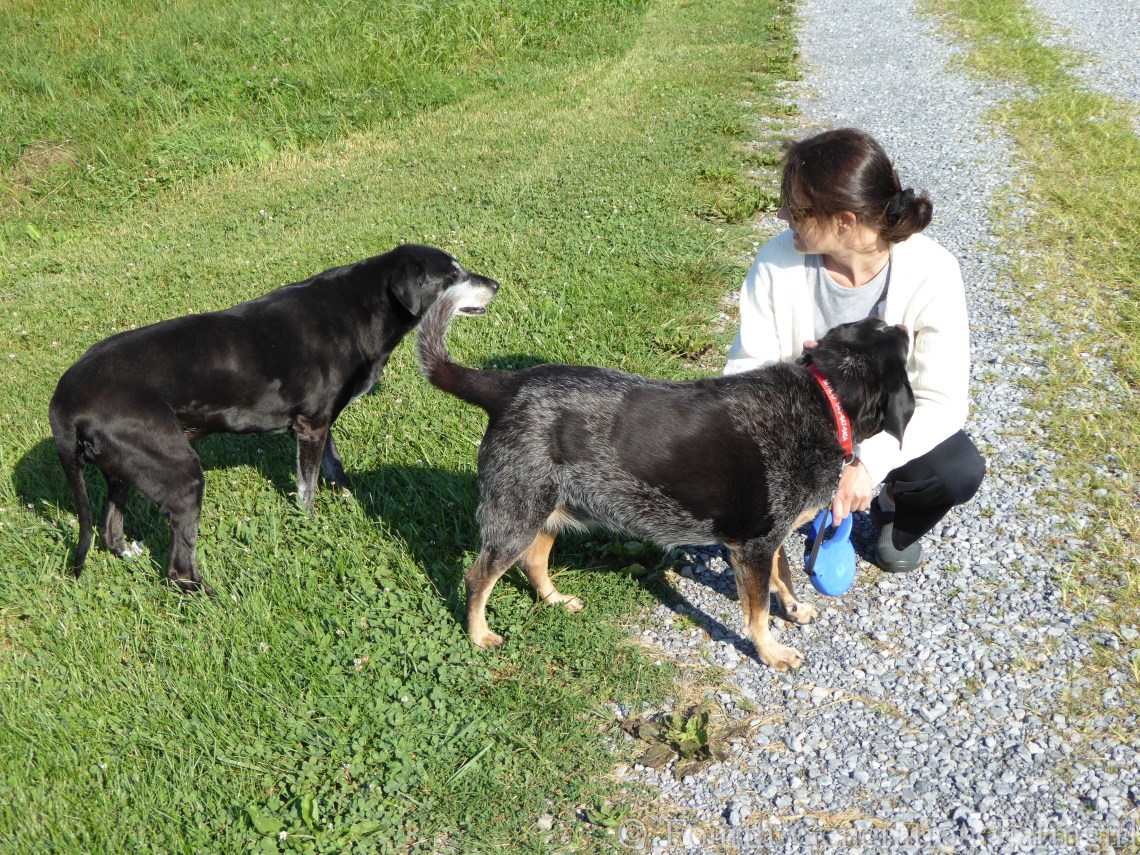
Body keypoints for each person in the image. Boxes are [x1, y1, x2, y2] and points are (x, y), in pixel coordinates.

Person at [724, 128, 985, 572]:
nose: (783, 216)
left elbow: (942, 402)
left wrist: (867, 463)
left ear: (845, 220)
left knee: (956, 470)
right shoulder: (776, 260)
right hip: (803, 421)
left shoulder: (933, 270)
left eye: (798, 209)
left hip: (884, 423)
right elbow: (746, 369)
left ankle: (894, 508)